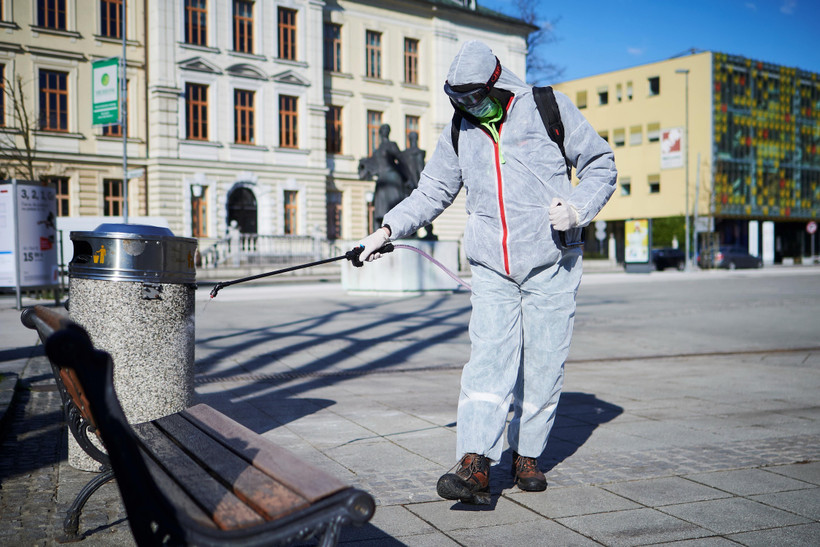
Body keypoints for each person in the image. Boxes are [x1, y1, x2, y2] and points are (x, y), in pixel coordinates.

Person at [357, 40, 617, 504]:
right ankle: (475, 461)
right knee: (488, 361)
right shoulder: (460, 128)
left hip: (552, 262)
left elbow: (600, 164)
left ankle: (527, 454)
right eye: (457, 99)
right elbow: (432, 190)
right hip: (492, 266)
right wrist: (386, 229)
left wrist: (578, 208)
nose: (468, 107)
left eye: (474, 98)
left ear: (498, 85)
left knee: (544, 361)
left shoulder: (547, 107)